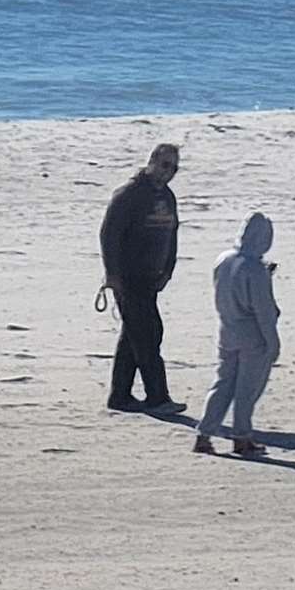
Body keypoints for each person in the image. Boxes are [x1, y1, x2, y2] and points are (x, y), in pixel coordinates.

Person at [99, 142, 183, 415]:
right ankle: (157, 397)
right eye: (164, 165)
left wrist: (168, 270)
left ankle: (120, 396)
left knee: (133, 335)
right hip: (128, 278)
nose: (167, 172)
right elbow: (109, 235)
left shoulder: (167, 197)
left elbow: (172, 235)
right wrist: (112, 274)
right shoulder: (129, 194)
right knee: (148, 334)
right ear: (152, 162)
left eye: (174, 168)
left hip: (151, 279)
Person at [192, 212, 280, 457]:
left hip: (227, 329)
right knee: (247, 390)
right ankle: (242, 437)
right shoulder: (255, 269)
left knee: (222, 383)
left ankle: (204, 434)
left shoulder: (224, 259)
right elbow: (264, 312)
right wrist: (273, 344)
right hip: (252, 335)